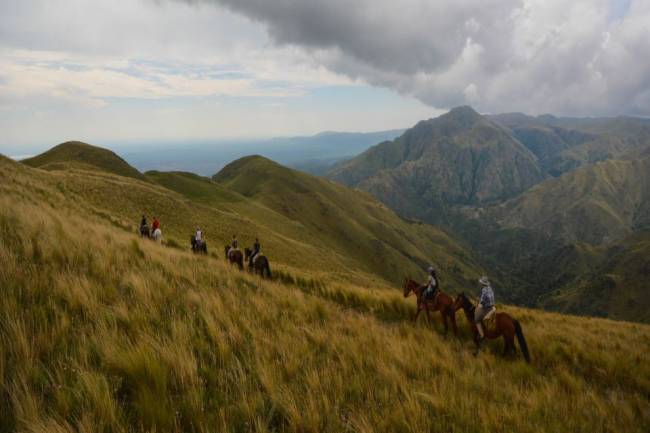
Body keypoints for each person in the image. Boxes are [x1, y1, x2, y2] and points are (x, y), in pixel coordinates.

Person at [475, 276, 496, 349]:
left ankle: (481, 335)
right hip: (492, 307)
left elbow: (482, 301)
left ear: (483, 284)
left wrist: (479, 304)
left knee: (477, 320)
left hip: (487, 308)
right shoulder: (490, 288)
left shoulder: (484, 290)